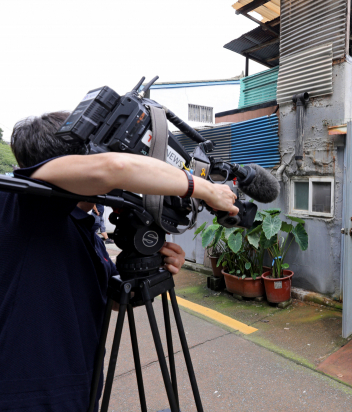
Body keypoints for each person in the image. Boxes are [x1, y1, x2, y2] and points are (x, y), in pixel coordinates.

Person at [0, 111, 238, 411]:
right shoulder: (26, 205)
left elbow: (112, 298)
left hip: (79, 394)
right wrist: (205, 189)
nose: (108, 153)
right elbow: (116, 167)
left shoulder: (81, 226)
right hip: (28, 399)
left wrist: (149, 265)